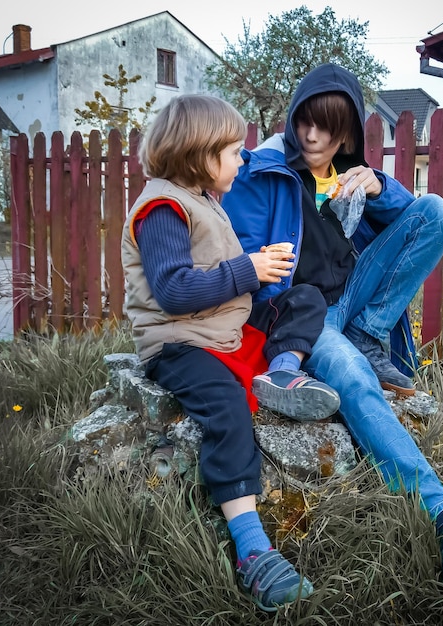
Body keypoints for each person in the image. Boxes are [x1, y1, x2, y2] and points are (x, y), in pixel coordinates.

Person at [221, 63, 443, 588]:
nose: (313, 135)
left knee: (438, 210)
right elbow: (246, 256)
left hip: (355, 298)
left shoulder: (353, 174)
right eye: (306, 121)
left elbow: (415, 232)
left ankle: (369, 332)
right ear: (294, 117)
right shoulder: (264, 170)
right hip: (303, 315)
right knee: (353, 377)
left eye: (328, 126)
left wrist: (380, 185)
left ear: (347, 130)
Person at [121, 94, 341, 611]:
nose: (243, 161)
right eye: (234, 152)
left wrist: (258, 264)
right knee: (226, 407)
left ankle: (283, 372)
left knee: (303, 299)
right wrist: (248, 270)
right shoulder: (163, 209)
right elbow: (174, 290)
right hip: (179, 341)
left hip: (226, 327)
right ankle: (252, 547)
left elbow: (216, 272)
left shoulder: (201, 199)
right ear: (200, 154)